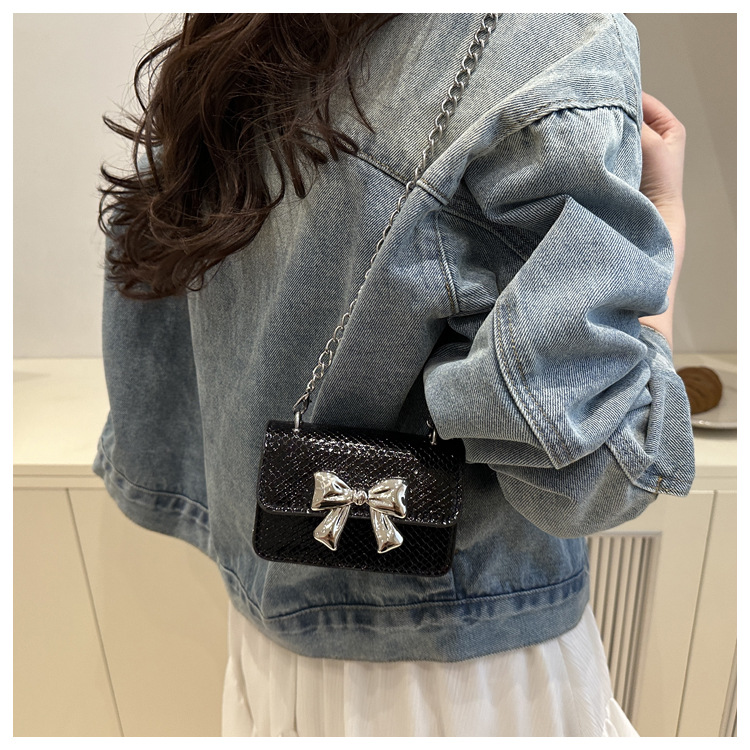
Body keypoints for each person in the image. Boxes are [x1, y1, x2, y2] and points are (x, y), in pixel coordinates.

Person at [93, 13, 694, 737]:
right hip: (462, 673)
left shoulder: (242, 27)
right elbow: (598, 473)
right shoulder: (553, 37)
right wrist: (665, 223)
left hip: (269, 643)